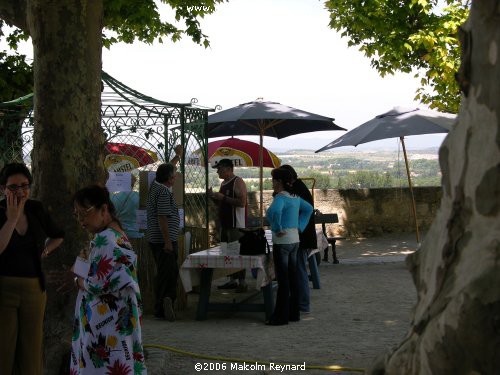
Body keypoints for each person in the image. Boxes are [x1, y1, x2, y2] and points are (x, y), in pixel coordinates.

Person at [71, 185, 146, 374]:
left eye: (84, 213)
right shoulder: (118, 235)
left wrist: (77, 282)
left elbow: (95, 283)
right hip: (118, 319)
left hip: (104, 323)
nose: (81, 220)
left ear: (103, 209)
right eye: (77, 215)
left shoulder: (105, 239)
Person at [0, 162, 64, 375]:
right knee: (4, 347)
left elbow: (58, 235)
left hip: (34, 288)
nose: (19, 191)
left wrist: (45, 252)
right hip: (3, 288)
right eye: (13, 187)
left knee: (31, 348)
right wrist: (11, 220)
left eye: (24, 185)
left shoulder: (36, 209)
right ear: (3, 189)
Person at [265, 167, 313, 326]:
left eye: (273, 180)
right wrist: (300, 226)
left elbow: (276, 212)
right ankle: (294, 313)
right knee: (293, 278)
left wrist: (277, 228)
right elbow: (309, 209)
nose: (272, 183)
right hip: (295, 240)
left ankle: (280, 317)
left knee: (283, 280)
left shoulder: (280, 198)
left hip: (282, 242)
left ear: (279, 182)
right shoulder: (295, 198)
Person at [280, 164, 317, 314]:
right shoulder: (298, 188)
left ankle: (302, 304)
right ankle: (300, 302)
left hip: (301, 237)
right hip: (302, 236)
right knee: (298, 269)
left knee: (299, 269)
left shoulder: (296, 191)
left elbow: (304, 210)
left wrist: (298, 228)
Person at [146, 162, 180, 321]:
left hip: (155, 238)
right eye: (174, 174)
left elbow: (165, 170)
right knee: (169, 272)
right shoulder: (164, 192)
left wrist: (177, 157)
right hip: (164, 240)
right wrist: (167, 241)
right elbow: (162, 217)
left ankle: (161, 306)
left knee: (163, 271)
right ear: (169, 178)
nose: (176, 176)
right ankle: (166, 301)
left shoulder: (155, 185)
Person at [208, 158, 248, 292]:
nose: (218, 172)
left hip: (236, 224)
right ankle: (232, 280)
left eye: (219, 169)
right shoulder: (224, 183)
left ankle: (242, 282)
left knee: (237, 254)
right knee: (227, 254)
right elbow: (222, 204)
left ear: (227, 169)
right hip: (225, 224)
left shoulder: (238, 181)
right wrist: (213, 197)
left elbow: (242, 202)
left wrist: (222, 198)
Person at [110, 173, 142, 239]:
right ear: (133, 183)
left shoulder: (113, 197)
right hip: (136, 232)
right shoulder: (139, 197)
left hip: (120, 234)